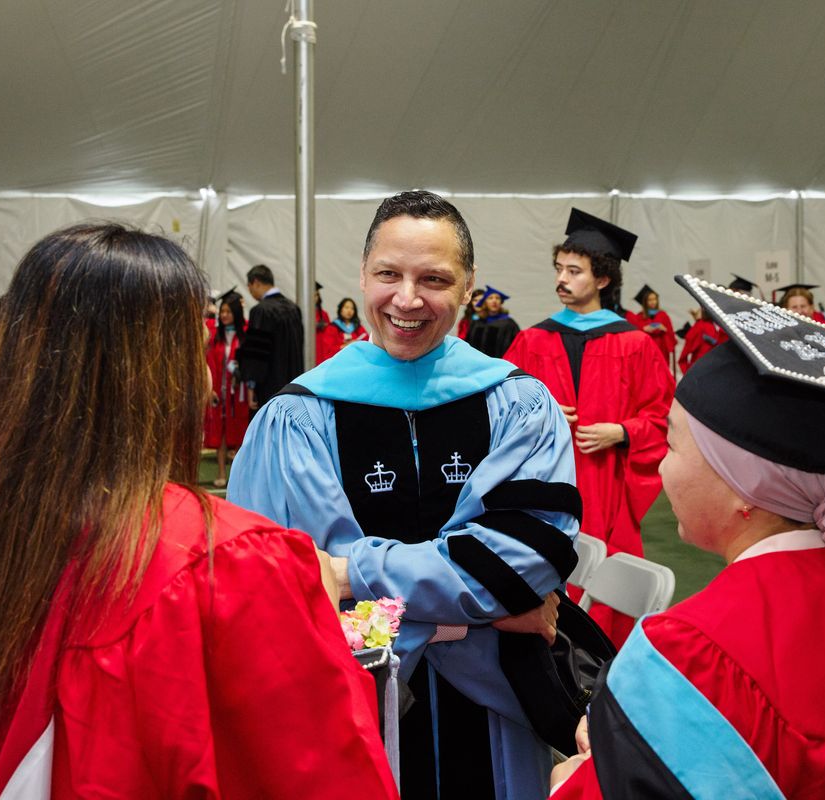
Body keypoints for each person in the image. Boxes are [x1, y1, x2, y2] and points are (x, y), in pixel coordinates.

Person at [0, 224, 396, 799]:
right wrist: (310, 613)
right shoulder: (232, 565)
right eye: (197, 346)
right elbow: (326, 777)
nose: (210, 376)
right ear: (159, 371)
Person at [229, 190, 579, 800]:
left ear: (469, 286)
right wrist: (477, 616)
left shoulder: (520, 405)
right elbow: (273, 589)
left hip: (498, 708)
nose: (408, 299)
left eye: (435, 278)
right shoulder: (296, 417)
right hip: (351, 708)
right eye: (389, 274)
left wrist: (347, 573)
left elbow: (524, 559)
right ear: (363, 275)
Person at [548, 339, 825, 799]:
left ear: (743, 485)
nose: (663, 468)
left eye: (671, 444)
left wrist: (573, 780)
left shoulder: (690, 652)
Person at [504, 209, 673, 645]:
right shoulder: (532, 340)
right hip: (545, 485)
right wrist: (541, 414)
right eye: (559, 268)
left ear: (601, 280)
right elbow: (501, 406)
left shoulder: (635, 343)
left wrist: (622, 431)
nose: (562, 279)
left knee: (607, 597)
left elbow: (663, 414)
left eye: (574, 271)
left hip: (607, 488)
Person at [238, 264, 304, 411]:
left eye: (249, 286)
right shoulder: (294, 309)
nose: (250, 291)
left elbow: (256, 355)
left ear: (256, 282)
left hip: (269, 387)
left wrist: (251, 385)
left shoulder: (261, 311)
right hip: (293, 385)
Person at [205, 291, 250, 488]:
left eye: (228, 312)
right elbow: (209, 362)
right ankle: (222, 472)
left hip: (238, 392)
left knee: (240, 431)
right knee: (221, 432)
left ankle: (237, 475)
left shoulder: (246, 334)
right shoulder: (215, 336)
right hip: (220, 392)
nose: (224, 315)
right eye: (222, 311)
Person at [466, 285, 521, 357]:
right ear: (484, 302)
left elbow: (517, 347)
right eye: (490, 298)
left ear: (501, 302)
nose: (494, 301)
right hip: (477, 362)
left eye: (497, 298)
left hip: (500, 363)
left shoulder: (508, 323)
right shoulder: (477, 322)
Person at [627, 284, 675, 365]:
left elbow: (671, 334)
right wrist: (643, 329)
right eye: (650, 300)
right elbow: (635, 334)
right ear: (645, 302)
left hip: (661, 348)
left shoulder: (663, 315)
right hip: (647, 349)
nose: (653, 302)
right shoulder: (639, 316)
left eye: (655, 299)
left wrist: (665, 330)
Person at [318, 297, 370, 363]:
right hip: (339, 362)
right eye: (346, 307)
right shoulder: (332, 328)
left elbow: (367, 343)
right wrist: (344, 346)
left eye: (352, 308)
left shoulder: (358, 327)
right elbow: (328, 351)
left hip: (355, 362)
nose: (349, 311)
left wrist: (357, 342)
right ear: (341, 309)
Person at [678, 306, 728, 373]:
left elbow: (689, 344)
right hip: (704, 364)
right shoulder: (714, 326)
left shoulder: (704, 325)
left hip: (702, 365)